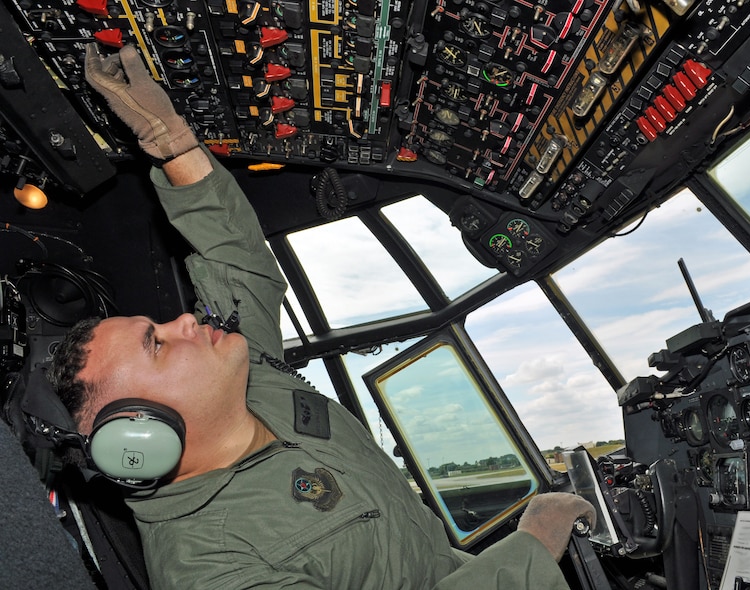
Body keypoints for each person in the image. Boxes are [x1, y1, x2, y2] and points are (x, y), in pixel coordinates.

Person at [48, 44, 596, 589]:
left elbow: (234, 255)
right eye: (157, 345)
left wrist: (169, 140)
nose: (184, 321)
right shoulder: (211, 568)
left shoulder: (253, 377)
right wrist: (535, 543)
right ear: (137, 439)